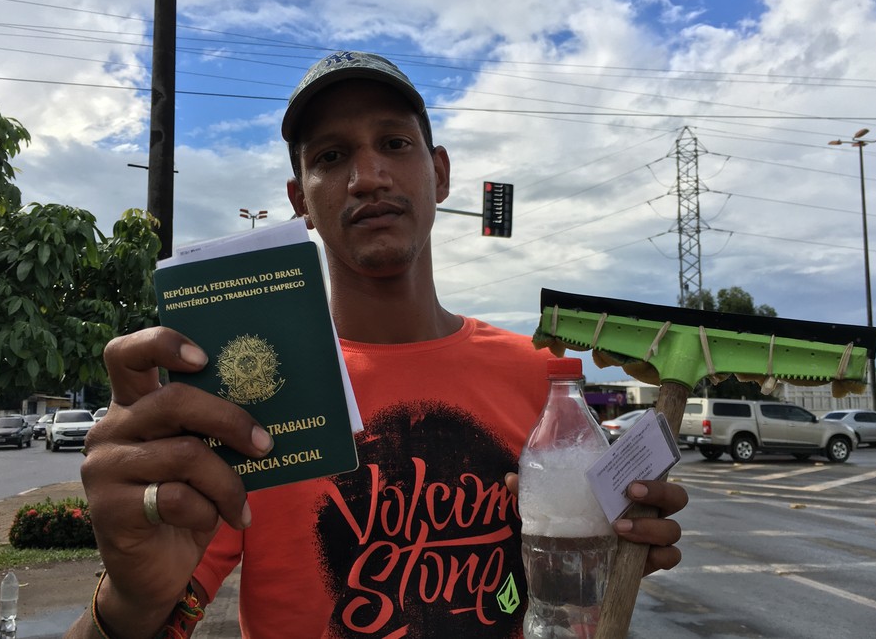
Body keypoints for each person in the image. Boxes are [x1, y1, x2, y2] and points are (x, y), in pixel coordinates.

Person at [67, 51, 687, 638]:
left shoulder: (542, 379)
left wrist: (605, 556)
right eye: (332, 156)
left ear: (439, 174)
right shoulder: (251, 402)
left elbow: (574, 592)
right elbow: (157, 597)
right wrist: (130, 603)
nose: (367, 178)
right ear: (300, 201)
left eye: (394, 143)